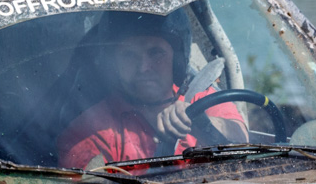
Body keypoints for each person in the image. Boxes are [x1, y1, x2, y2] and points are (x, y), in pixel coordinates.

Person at [56, 10, 248, 170]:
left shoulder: (201, 97)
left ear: (177, 61)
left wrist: (202, 123)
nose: (143, 68)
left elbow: (242, 140)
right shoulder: (89, 131)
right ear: (114, 65)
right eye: (129, 55)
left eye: (156, 52)